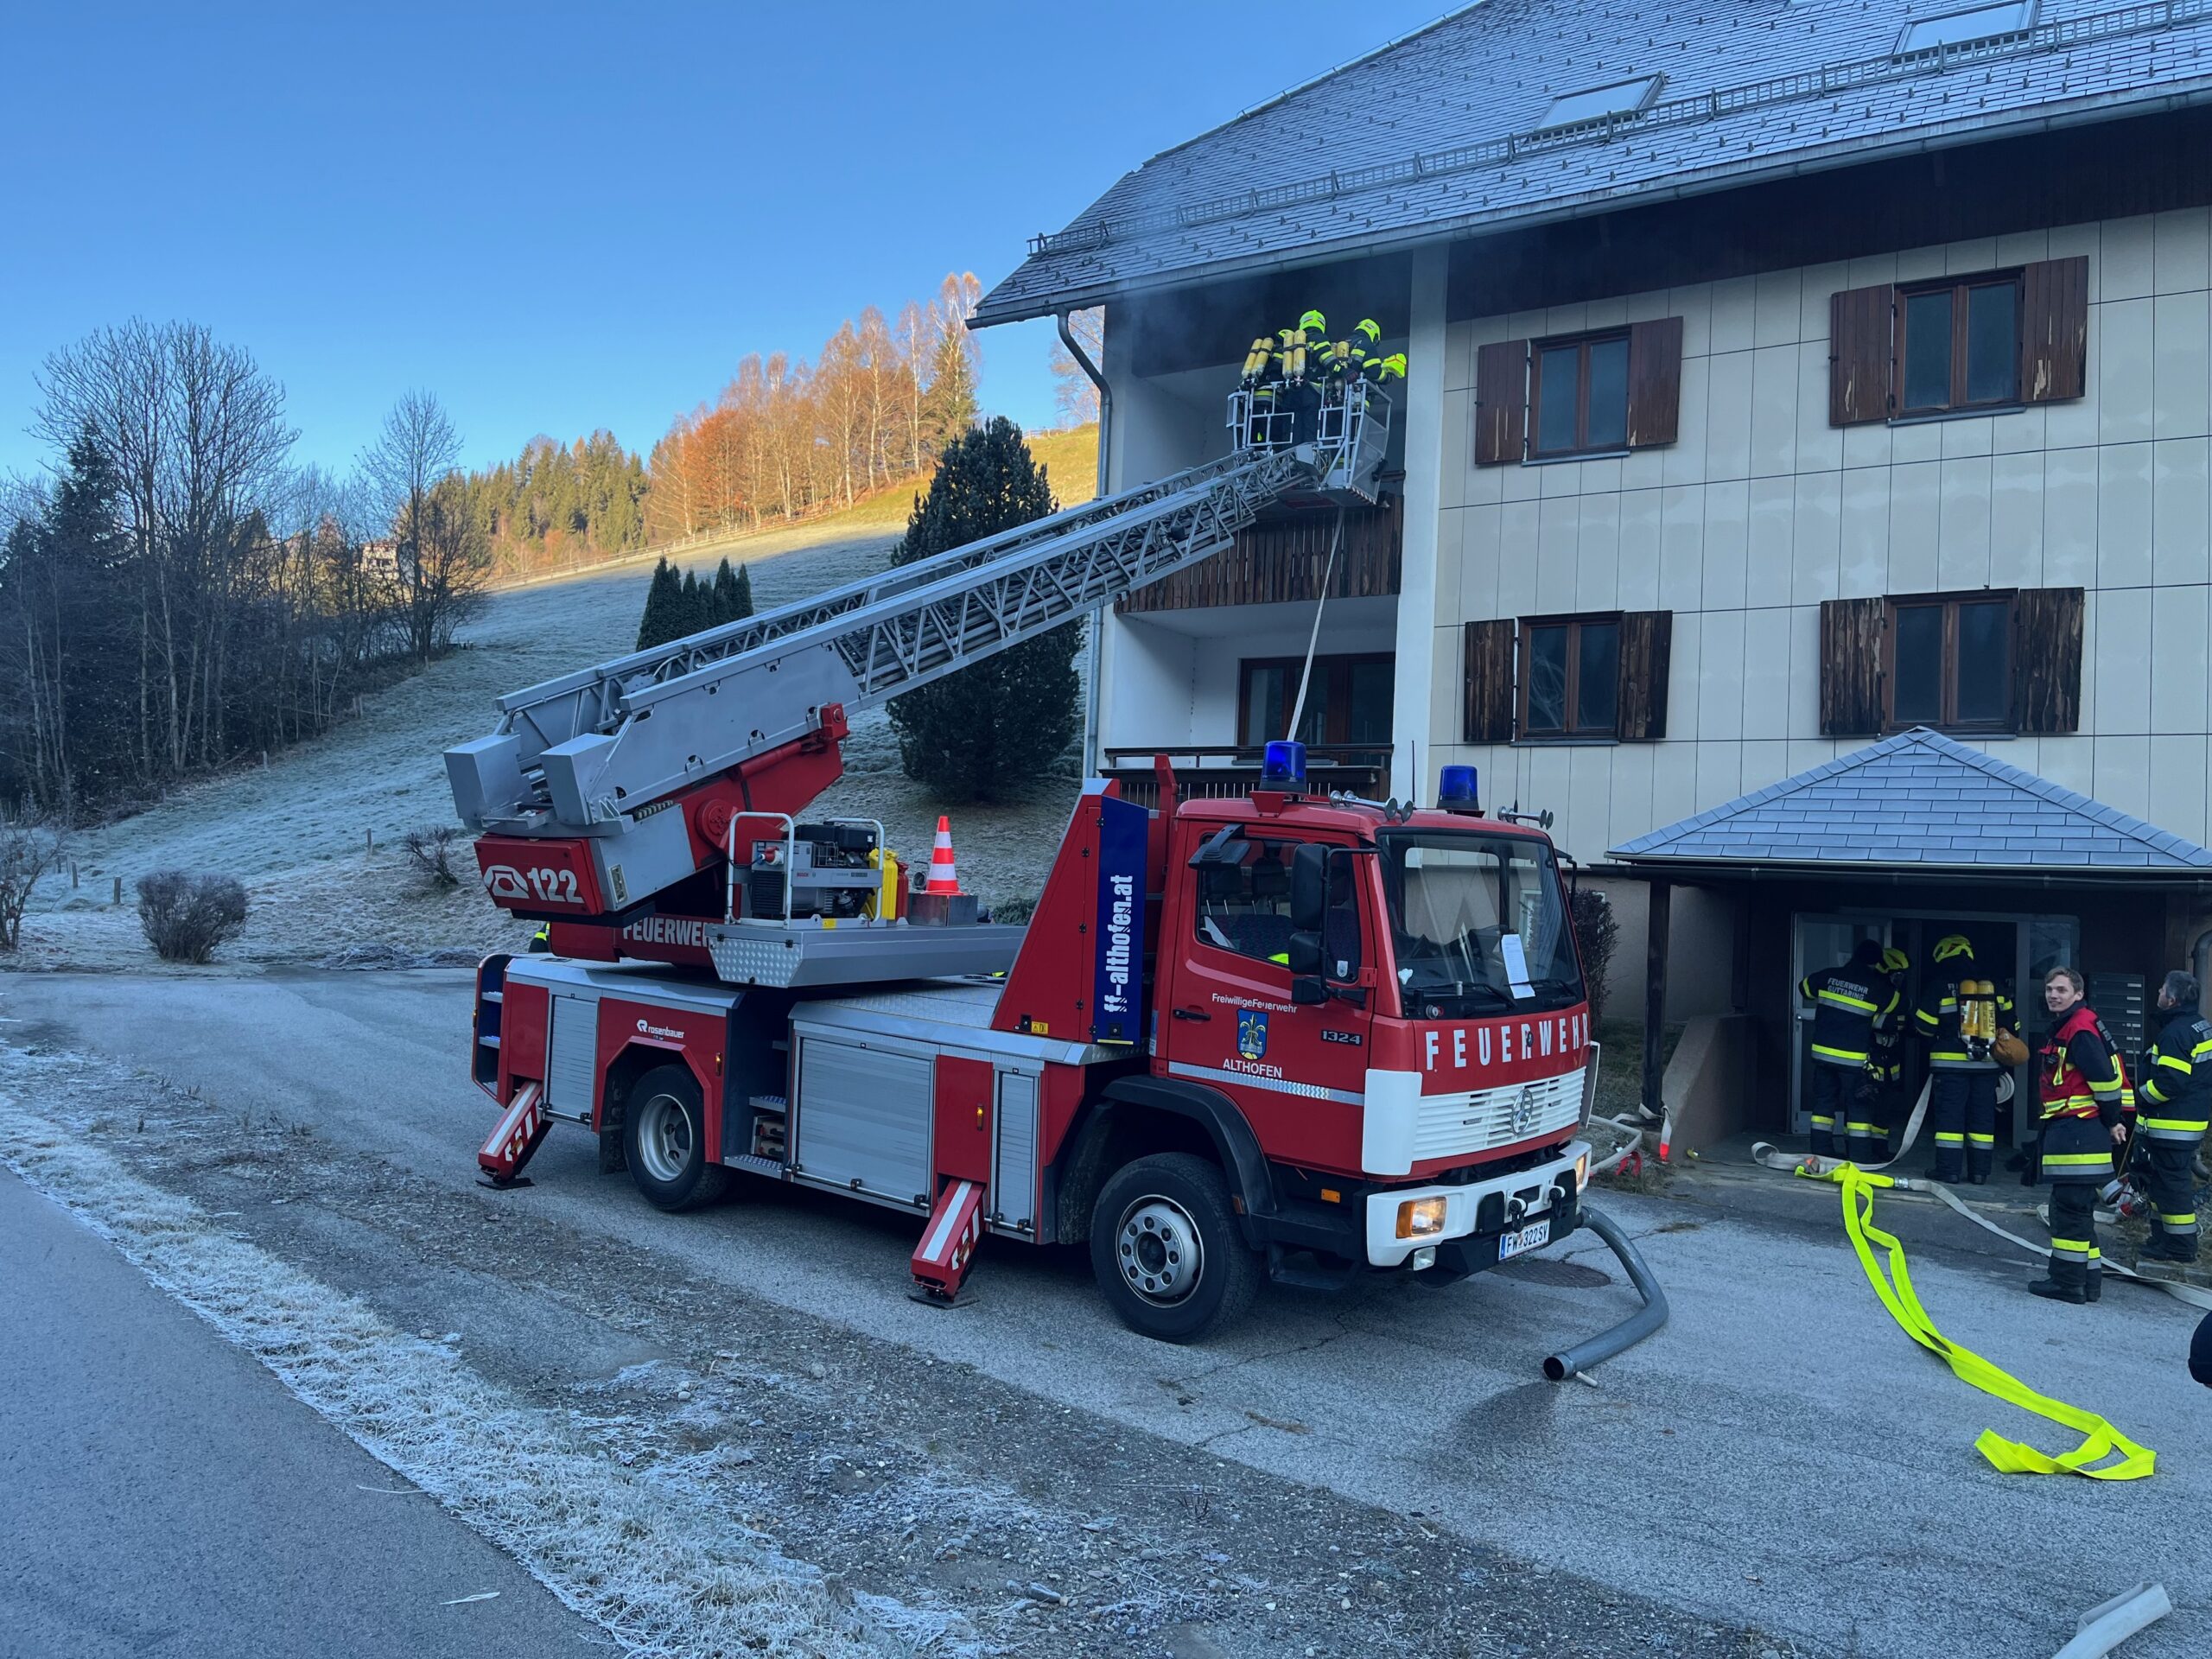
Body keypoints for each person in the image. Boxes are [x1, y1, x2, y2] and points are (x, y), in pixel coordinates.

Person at [2031, 966, 2129, 1304]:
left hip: (2077, 1134)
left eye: (2061, 990)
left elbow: (2105, 1082)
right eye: (2049, 989)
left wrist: (2113, 1120)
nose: (2053, 995)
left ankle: (2067, 1284)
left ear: (2078, 994)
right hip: (2080, 1133)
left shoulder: (2079, 1029)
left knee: (2068, 1212)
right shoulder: (2075, 1024)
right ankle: (2088, 1282)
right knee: (2080, 1212)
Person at [1913, 935, 2015, 1184]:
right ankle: (1979, 1173)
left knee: (1950, 1118)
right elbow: (2013, 1027)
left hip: (1950, 1067)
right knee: (1983, 1119)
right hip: (1987, 1066)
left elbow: (1923, 1026)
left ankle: (1948, 1170)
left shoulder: (1939, 985)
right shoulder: (1994, 986)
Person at [2134, 969, 2211, 1264]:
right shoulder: (2200, 1026)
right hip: (2187, 1121)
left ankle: (2179, 1246)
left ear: (2172, 999)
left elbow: (2169, 1083)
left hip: (2172, 1125)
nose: (2158, 993)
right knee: (2163, 1185)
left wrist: (2140, 1098)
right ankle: (2161, 1238)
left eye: (2162, 990)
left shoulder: (2175, 1033)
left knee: (2172, 1187)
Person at [1799, 939, 1897, 1160]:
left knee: (1823, 1106)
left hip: (1823, 1056)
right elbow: (1899, 1006)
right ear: (1876, 963)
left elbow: (1804, 988)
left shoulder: (1828, 976)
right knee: (1858, 1109)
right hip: (1853, 1061)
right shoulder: (1877, 987)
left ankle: (1821, 1154)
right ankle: (1859, 1158)